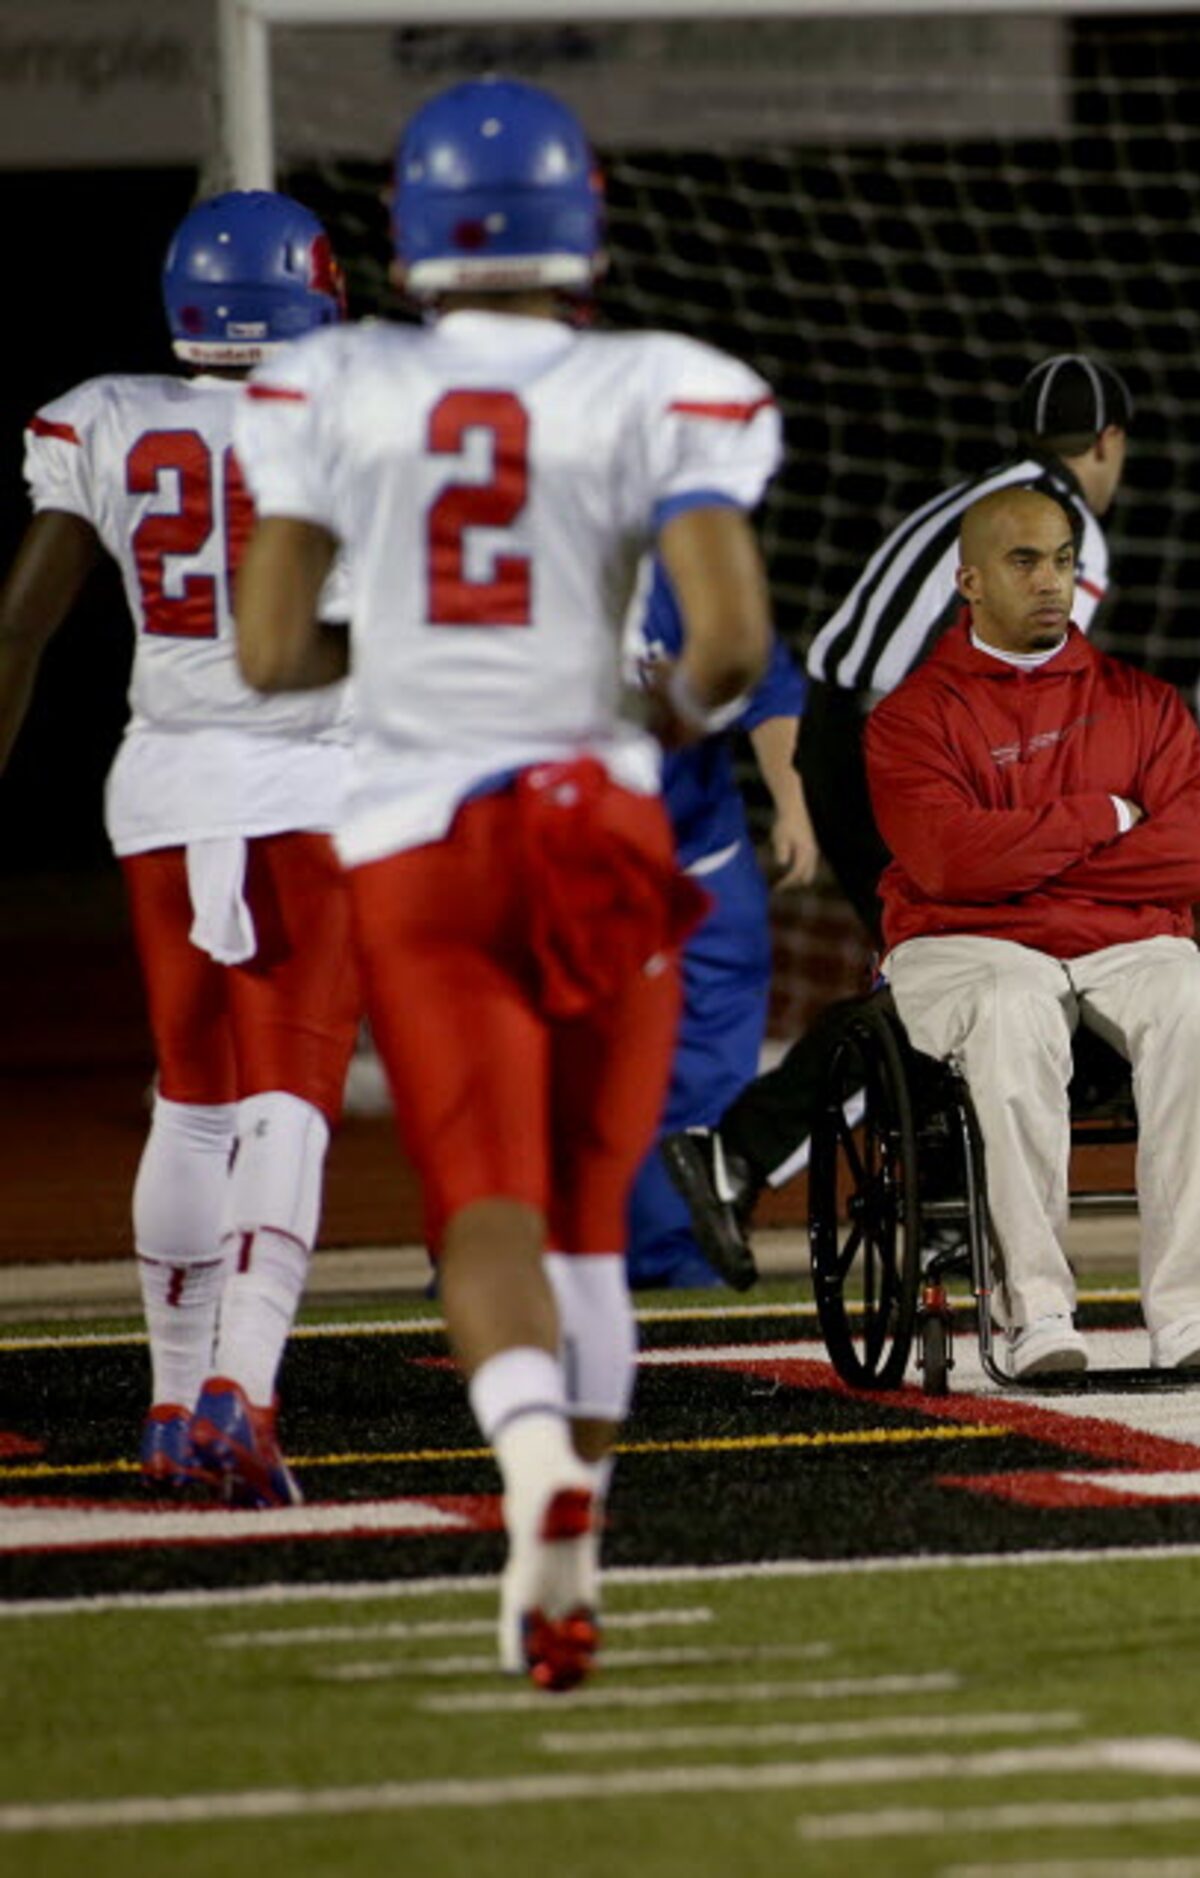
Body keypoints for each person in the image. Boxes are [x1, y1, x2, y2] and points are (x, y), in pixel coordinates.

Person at [231, 76, 778, 1690]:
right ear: (578, 222)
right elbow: (733, 640)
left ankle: (528, 1457)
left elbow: (267, 648)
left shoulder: (334, 382)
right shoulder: (657, 385)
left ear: (409, 238)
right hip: (592, 815)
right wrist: (652, 711)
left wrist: (395, 658)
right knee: (594, 1231)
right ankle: (578, 1521)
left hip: (414, 835)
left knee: (484, 1205)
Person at [0, 191, 354, 1509]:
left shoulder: (108, 414)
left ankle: (168, 1397)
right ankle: (244, 1391)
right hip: (307, 776)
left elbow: (19, 629)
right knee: (292, 1091)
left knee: (194, 1095)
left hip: (157, 781)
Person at [661, 354, 1136, 1268]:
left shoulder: (979, 498)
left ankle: (924, 1194)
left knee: (947, 970)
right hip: (898, 752)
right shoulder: (1058, 529)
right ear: (1108, 442)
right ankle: (775, 1158)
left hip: (842, 734)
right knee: (962, 970)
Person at [863, 481, 1200, 1377]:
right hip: (965, 952)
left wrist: (1018, 861)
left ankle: (1192, 1309)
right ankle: (1034, 1311)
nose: (1049, 581)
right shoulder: (910, 719)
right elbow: (948, 864)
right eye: (1023, 561)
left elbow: (1195, 863)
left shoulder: (1143, 705)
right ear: (968, 580)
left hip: (1125, 945)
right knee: (1012, 1002)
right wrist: (1101, 818)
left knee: (1199, 998)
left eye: (1063, 560)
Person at [621, 563, 814, 1291]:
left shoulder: (678, 561)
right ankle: (503, 1250)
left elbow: (764, 682)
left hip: (696, 847)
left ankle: (677, 1247)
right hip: (561, 858)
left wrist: (792, 805)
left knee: (708, 1053)